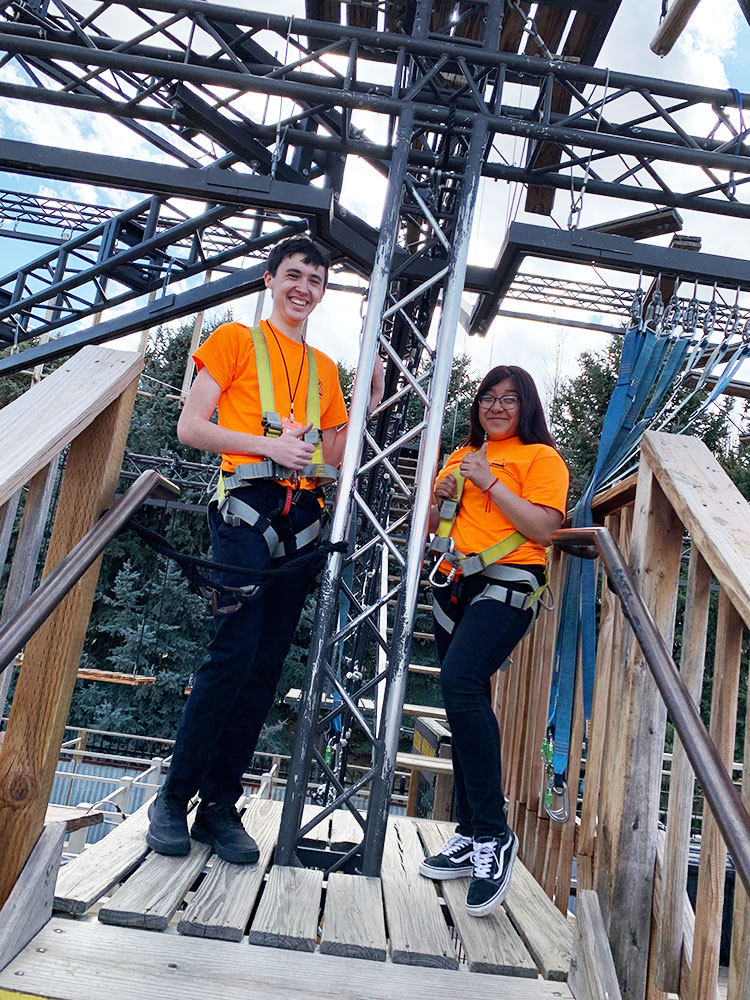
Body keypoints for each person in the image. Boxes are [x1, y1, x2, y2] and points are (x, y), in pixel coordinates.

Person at [147, 236, 383, 864]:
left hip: (301, 520)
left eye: (315, 280)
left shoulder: (324, 369)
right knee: (233, 653)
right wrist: (267, 446)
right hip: (246, 514)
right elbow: (191, 426)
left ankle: (220, 806)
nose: (304, 288)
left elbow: (333, 456)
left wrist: (366, 403)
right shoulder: (233, 340)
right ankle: (174, 797)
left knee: (265, 665)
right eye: (294, 276)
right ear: (271, 280)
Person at [419, 365, 569, 917]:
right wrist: (439, 501)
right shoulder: (461, 455)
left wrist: (489, 481)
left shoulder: (540, 459)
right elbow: (439, 524)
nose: (497, 407)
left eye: (510, 399)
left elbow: (544, 529)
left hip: (508, 581)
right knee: (463, 699)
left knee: (460, 682)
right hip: (453, 581)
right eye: (488, 398)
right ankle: (468, 829)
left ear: (526, 406)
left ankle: (493, 834)